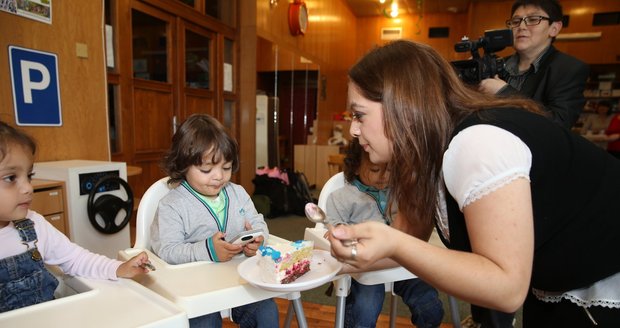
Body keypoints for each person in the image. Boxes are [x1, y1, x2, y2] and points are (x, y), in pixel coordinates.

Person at [326, 39, 620, 327]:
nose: (352, 130)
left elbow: (506, 289)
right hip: (556, 277)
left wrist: (392, 242)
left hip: (601, 277)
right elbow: (409, 235)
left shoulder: (477, 144)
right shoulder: (423, 156)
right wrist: (329, 260)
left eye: (359, 115)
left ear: (403, 104)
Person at [0, 121, 151, 313]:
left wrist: (118, 268)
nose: (28, 187)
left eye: (29, 176)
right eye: (10, 178)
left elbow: (76, 259)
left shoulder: (34, 224)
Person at [150, 114, 279, 328]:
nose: (219, 176)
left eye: (226, 168)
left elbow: (257, 222)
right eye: (206, 170)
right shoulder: (172, 205)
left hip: (236, 280)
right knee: (205, 321)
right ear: (183, 165)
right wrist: (207, 250)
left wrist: (259, 239)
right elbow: (167, 250)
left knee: (266, 310)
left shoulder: (237, 193)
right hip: (195, 288)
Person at [326, 138, 444, 328]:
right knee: (364, 311)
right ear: (356, 167)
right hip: (365, 267)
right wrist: (339, 234)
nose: (383, 176)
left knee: (430, 306)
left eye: (389, 170)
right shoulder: (342, 197)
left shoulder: (399, 192)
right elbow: (334, 229)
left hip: (400, 260)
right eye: (374, 170)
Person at [478, 0, 589, 130]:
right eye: (515, 21)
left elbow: (558, 124)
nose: (522, 26)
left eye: (533, 19)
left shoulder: (570, 68)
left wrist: (504, 93)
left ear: (554, 28)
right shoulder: (496, 65)